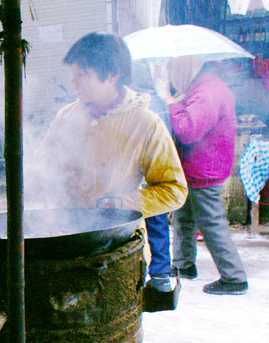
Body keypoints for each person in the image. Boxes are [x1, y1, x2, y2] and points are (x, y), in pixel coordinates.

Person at [28, 33, 187, 285]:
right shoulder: (67, 117)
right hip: (66, 237)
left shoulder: (145, 124)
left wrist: (124, 202)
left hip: (117, 244)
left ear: (112, 75)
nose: (74, 82)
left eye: (83, 75)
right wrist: (35, 177)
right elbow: (43, 166)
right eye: (73, 73)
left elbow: (174, 190)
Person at [155, 55, 248, 295]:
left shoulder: (206, 92)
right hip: (195, 167)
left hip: (204, 169)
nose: (172, 75)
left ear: (186, 68)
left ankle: (234, 278)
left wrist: (171, 102)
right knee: (183, 217)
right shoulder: (203, 86)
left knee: (212, 223)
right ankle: (183, 265)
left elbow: (187, 131)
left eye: (173, 68)